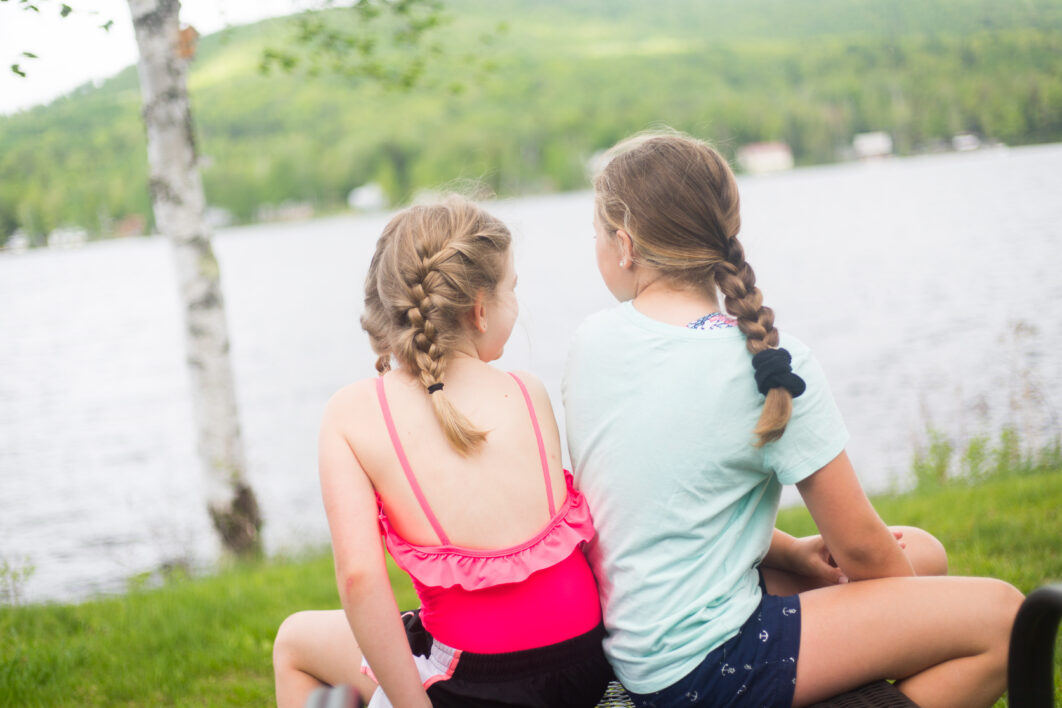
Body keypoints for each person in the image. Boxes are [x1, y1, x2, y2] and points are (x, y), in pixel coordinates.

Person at [562, 131, 1024, 708]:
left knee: (923, 552)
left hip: (644, 645)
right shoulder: (768, 364)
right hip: (704, 667)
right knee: (1007, 619)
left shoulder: (591, 343)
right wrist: (902, 627)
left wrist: (792, 554)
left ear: (624, 246)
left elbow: (659, 505)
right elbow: (859, 549)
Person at [272, 195, 614, 708]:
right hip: (584, 662)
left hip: (476, 683)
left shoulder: (352, 413)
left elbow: (361, 579)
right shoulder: (527, 390)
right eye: (512, 290)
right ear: (479, 309)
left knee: (294, 641)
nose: (517, 307)